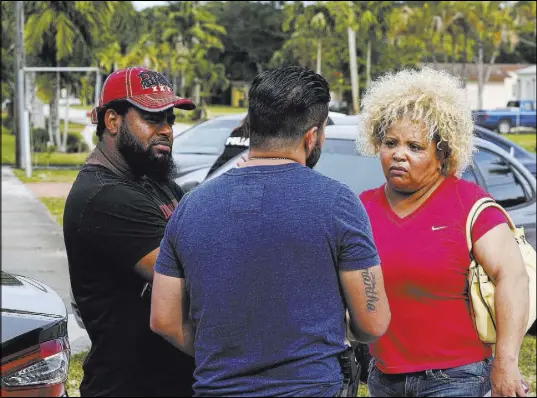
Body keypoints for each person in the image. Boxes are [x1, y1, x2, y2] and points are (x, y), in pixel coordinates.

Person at [150, 66, 391, 397]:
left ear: (253, 126)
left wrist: (224, 358)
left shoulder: (191, 206)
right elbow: (373, 322)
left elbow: (164, 319)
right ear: (312, 136)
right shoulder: (338, 204)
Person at [356, 67, 530, 397]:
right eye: (390, 143)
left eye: (415, 146)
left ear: (443, 153)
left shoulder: (468, 202)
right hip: (384, 376)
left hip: (456, 377)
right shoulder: (363, 207)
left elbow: (513, 277)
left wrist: (505, 363)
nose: (399, 155)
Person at [63, 67, 197, 397]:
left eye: (170, 119)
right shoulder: (104, 197)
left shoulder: (154, 180)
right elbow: (196, 275)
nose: (166, 130)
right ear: (112, 121)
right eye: (153, 118)